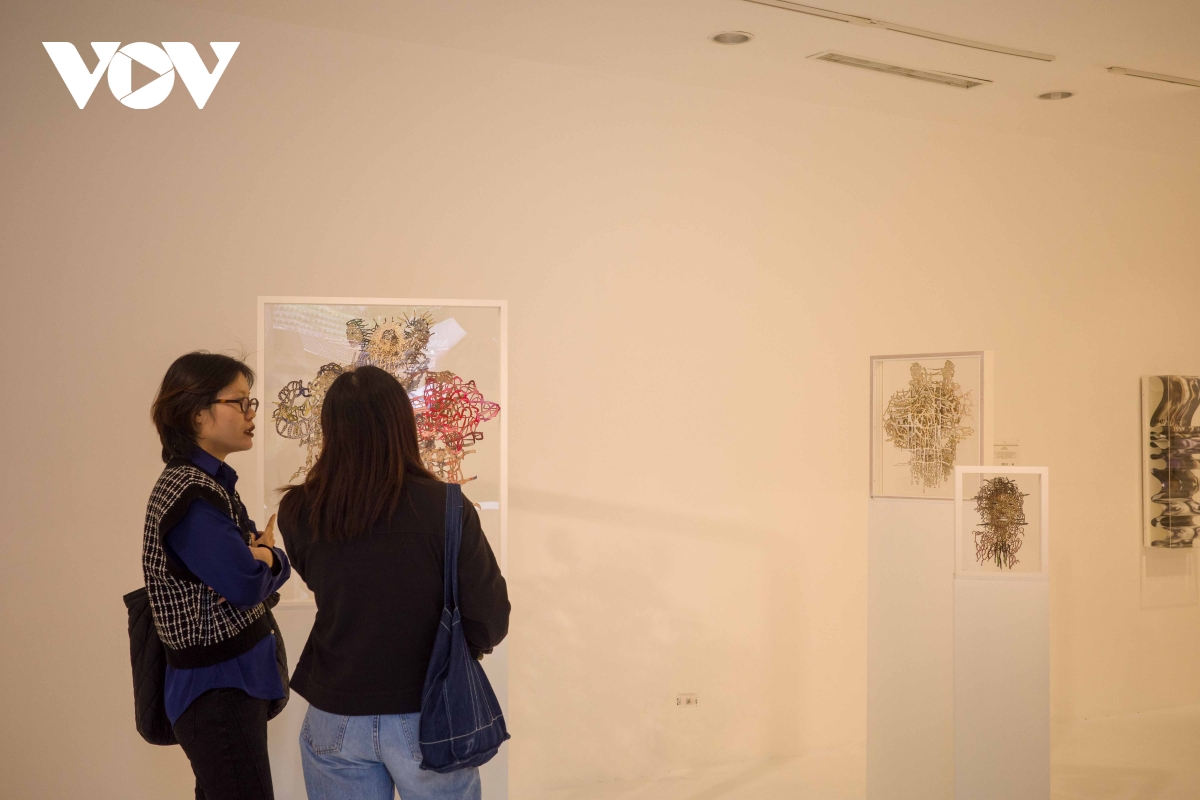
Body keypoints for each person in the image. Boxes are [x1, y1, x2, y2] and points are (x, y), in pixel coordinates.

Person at [278, 365, 510, 800]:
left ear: (330, 429)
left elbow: (323, 583)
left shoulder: (298, 510)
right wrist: (464, 648)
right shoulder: (447, 506)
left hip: (335, 709)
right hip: (429, 710)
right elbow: (490, 618)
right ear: (403, 425)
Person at [143, 352, 292, 799]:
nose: (251, 414)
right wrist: (270, 559)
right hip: (218, 689)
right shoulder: (192, 495)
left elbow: (249, 572)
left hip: (227, 685)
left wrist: (261, 559)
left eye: (251, 402)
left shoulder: (209, 484)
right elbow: (246, 583)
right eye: (239, 402)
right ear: (196, 413)